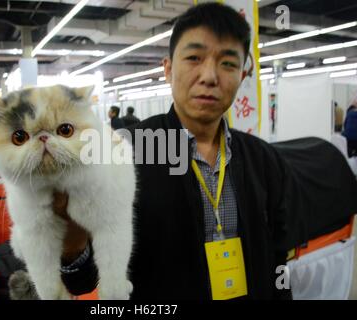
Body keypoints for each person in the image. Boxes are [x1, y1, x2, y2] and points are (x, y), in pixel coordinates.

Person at [53, 3, 292, 300]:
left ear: (243, 75)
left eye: (228, 63)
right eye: (194, 58)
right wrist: (72, 240)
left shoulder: (263, 159)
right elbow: (83, 282)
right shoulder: (122, 153)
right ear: (168, 69)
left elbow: (279, 255)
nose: (209, 76)